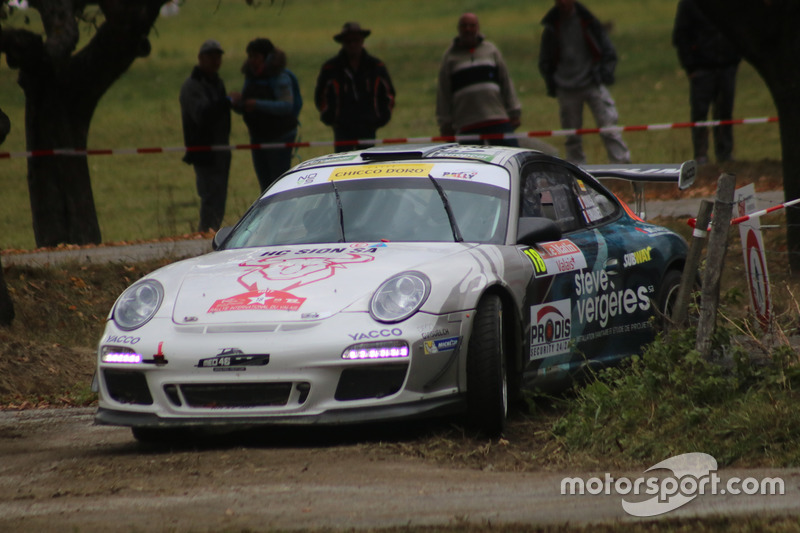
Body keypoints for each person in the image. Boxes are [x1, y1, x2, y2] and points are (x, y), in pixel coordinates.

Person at [538, 0, 630, 165]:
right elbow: (545, 59)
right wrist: (552, 82)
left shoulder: (588, 21)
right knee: (572, 135)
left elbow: (607, 50)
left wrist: (604, 74)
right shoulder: (552, 26)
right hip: (566, 87)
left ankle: (621, 165)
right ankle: (576, 169)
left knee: (609, 128)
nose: (562, 3)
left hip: (592, 82)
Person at [436, 12, 521, 147]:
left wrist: (514, 110)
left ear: (478, 27)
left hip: (496, 117)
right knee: (471, 164)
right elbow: (443, 92)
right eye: (464, 26)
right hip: (466, 122)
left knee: (510, 154)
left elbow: (506, 82)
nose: (468, 29)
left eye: (472, 25)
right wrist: (445, 123)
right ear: (458, 28)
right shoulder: (450, 57)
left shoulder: (491, 50)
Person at [673, 0, 741, 165]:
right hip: (701, 68)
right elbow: (681, 35)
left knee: (725, 111)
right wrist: (691, 67)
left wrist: (734, 60)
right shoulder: (690, 4)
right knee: (700, 113)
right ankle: (701, 154)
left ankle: (725, 153)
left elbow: (740, 30)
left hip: (727, 66)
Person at [314, 22, 396, 152]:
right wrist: (331, 117)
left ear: (362, 41)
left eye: (356, 41)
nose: (352, 45)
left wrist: (381, 118)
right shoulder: (331, 68)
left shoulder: (376, 66)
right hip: (342, 128)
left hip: (368, 127)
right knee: (342, 165)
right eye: (348, 41)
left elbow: (388, 94)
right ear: (342, 43)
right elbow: (320, 97)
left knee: (367, 164)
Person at [230, 38, 299, 192]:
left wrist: (256, 104)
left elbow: (287, 106)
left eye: (256, 57)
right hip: (258, 137)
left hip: (280, 137)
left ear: (267, 57)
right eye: (250, 56)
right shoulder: (251, 76)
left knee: (278, 187)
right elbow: (249, 104)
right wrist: (238, 103)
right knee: (265, 188)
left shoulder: (281, 77)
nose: (252, 61)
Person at [179, 39, 232, 233]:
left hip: (220, 149)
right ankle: (205, 235)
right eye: (211, 56)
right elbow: (202, 114)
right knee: (210, 198)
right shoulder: (192, 86)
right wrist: (226, 102)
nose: (216, 61)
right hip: (204, 151)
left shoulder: (217, 83)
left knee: (219, 198)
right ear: (201, 58)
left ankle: (212, 232)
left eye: (218, 56)